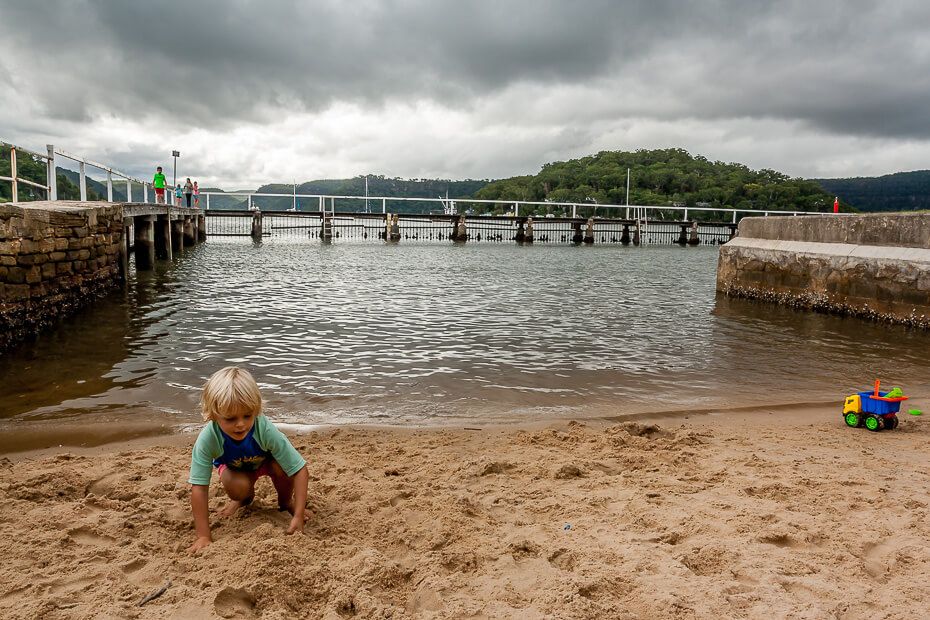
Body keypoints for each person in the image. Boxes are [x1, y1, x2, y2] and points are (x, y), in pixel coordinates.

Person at [188, 367, 309, 553]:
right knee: (237, 489)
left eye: (247, 415)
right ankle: (244, 499)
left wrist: (299, 514)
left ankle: (285, 502)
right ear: (213, 415)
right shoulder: (208, 439)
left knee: (283, 467)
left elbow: (299, 469)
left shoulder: (264, 429)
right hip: (235, 468)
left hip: (266, 463)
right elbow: (199, 487)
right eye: (230, 418)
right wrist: (203, 535)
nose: (240, 424)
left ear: (256, 410)